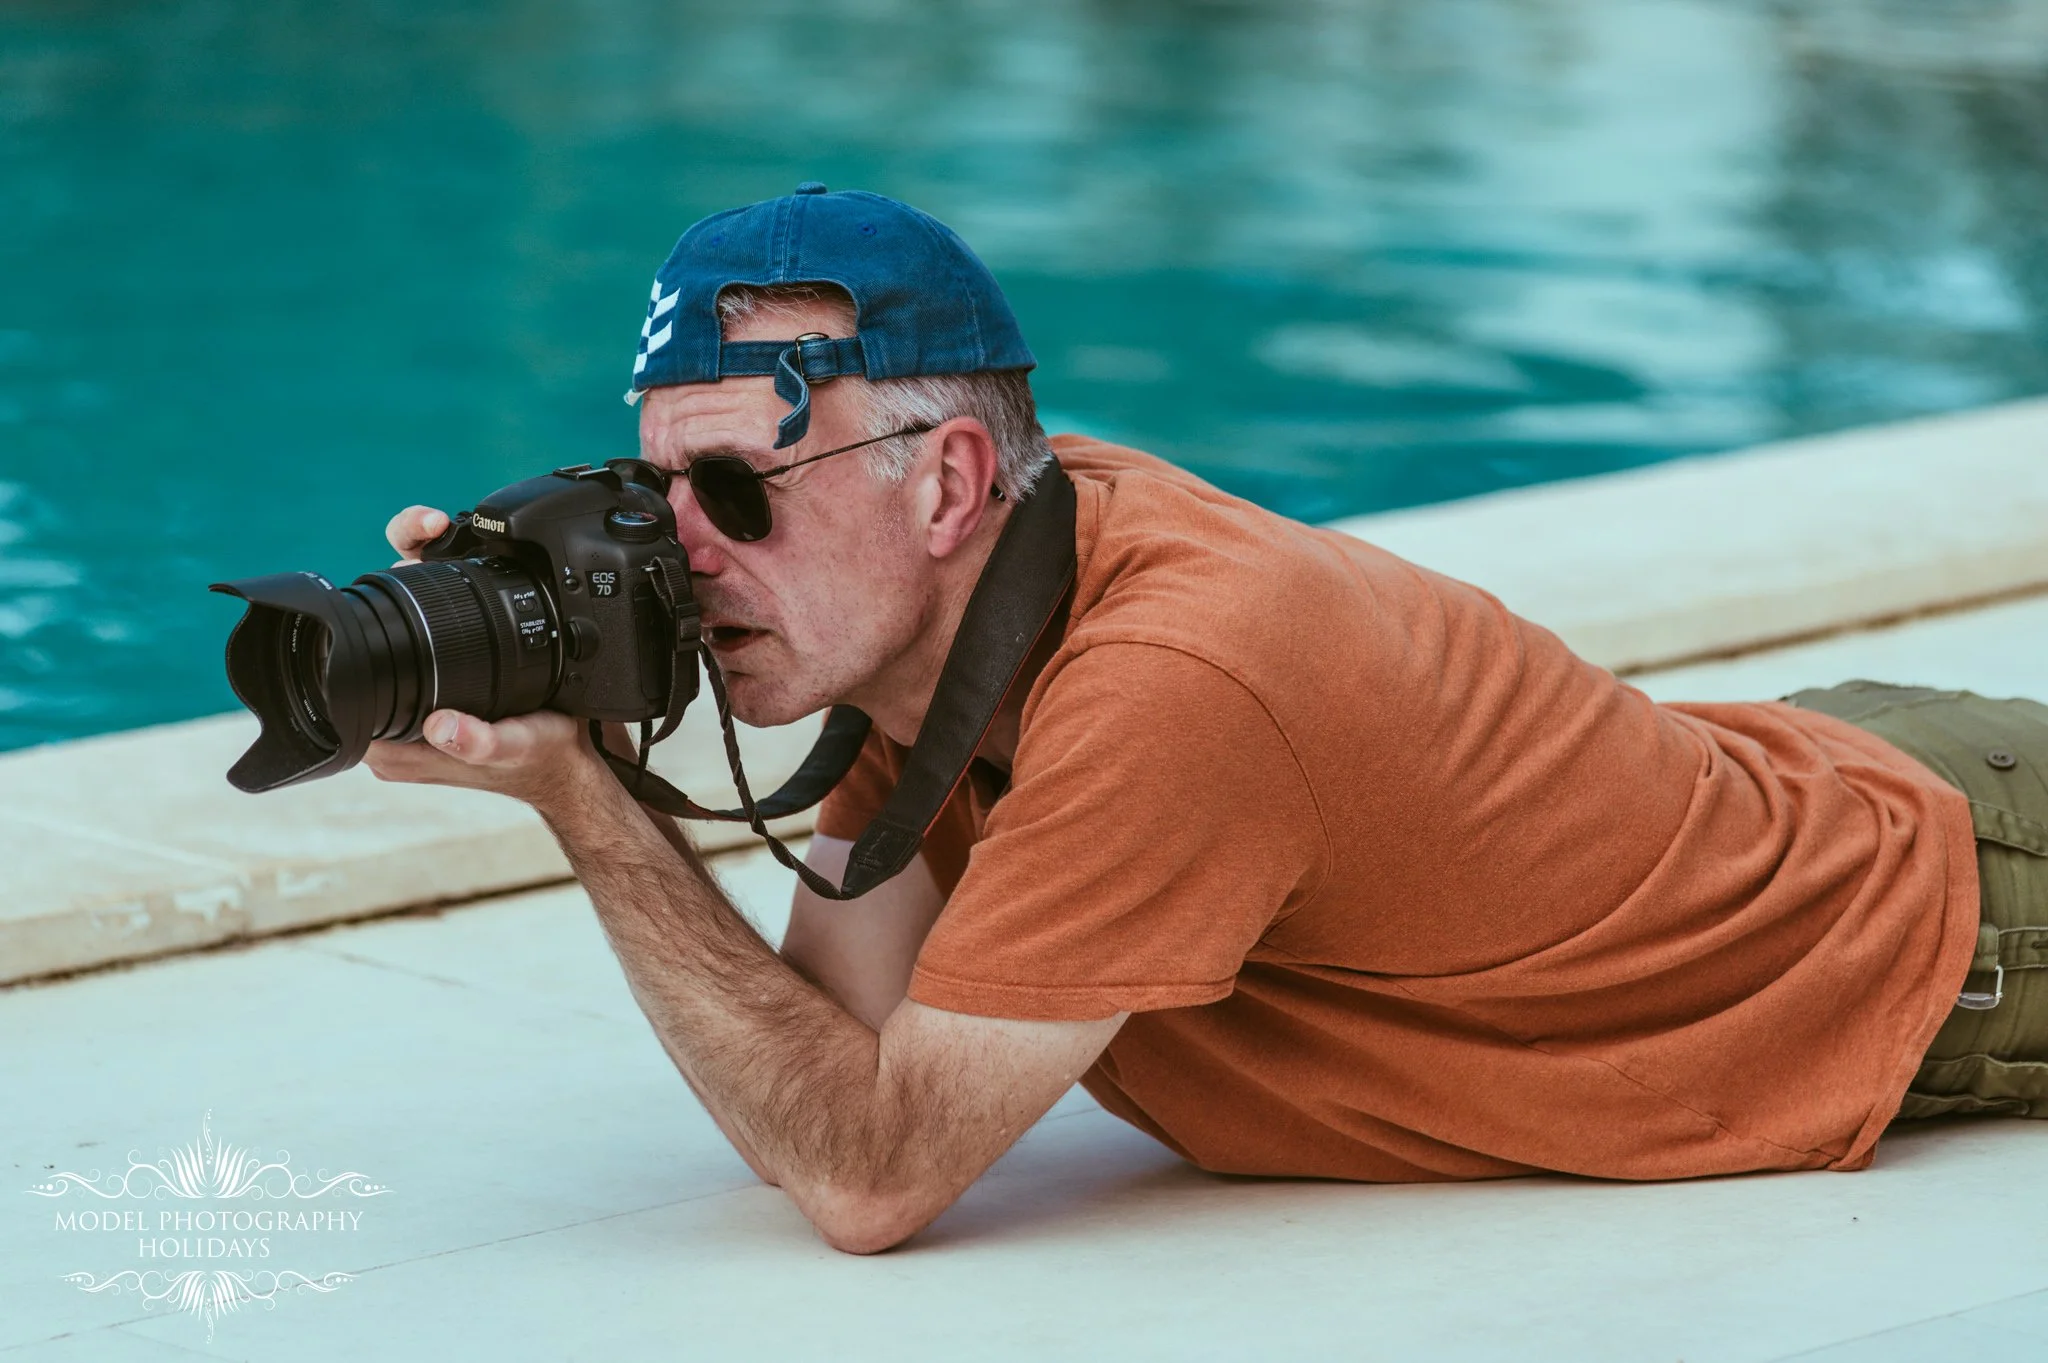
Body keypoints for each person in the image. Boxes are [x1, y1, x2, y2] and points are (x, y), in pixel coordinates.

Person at [367, 184, 2048, 1255]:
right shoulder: (956, 608)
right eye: (656, 496)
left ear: (949, 479)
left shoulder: (1170, 686)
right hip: (1823, 759)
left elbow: (866, 1170)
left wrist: (589, 812)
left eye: (738, 484)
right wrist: (562, 701)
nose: (690, 549)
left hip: (1955, 912)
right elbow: (822, 1067)